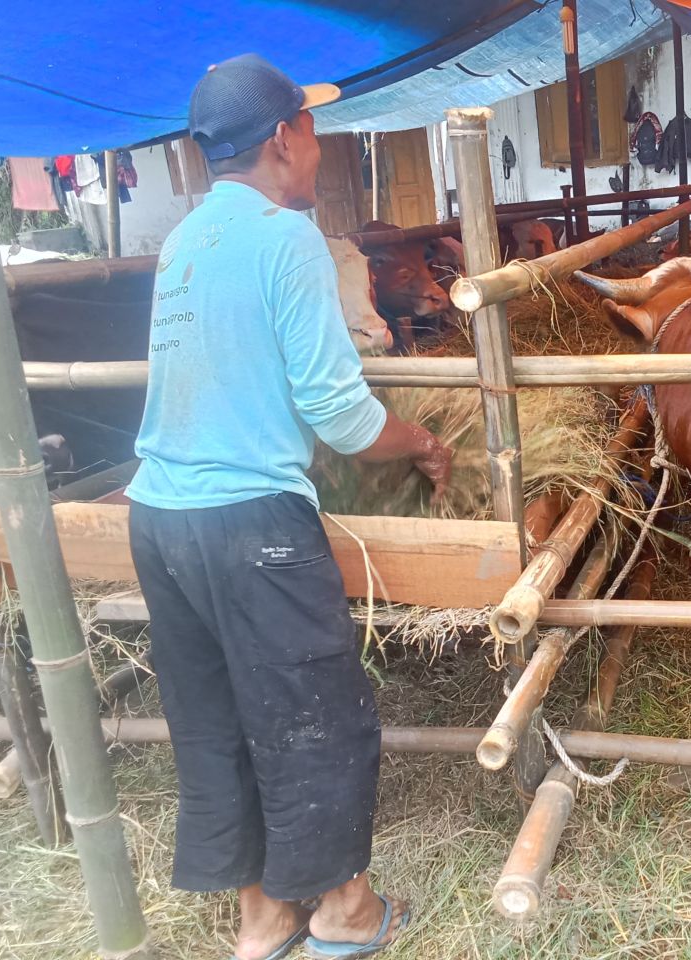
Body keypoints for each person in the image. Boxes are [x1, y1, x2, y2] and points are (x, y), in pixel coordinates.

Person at [126, 54, 451, 960]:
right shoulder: (289, 239)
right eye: (309, 128)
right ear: (281, 139)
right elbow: (341, 417)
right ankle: (345, 912)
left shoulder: (183, 244)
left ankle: (262, 919)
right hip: (250, 525)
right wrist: (423, 440)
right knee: (317, 711)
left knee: (216, 716)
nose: (316, 144)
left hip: (159, 519)